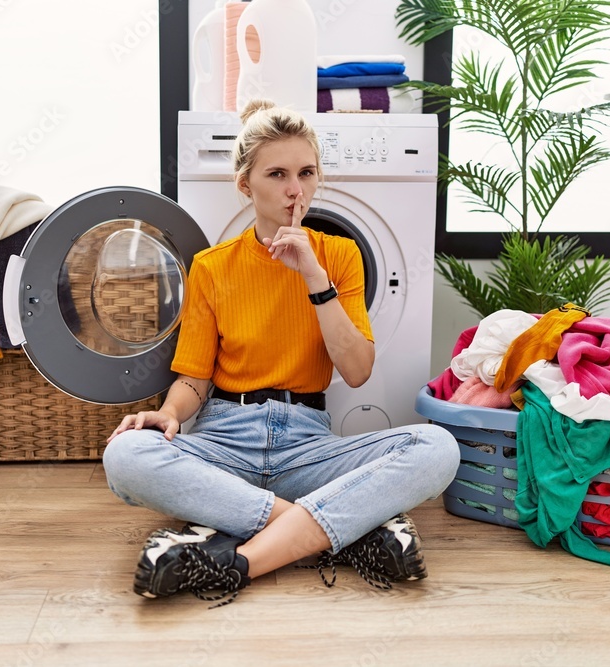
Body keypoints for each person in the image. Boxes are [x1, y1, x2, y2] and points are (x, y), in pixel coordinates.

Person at [103, 99, 460, 606]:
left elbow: (357, 371)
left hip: (307, 446)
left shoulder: (338, 256)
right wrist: (165, 416)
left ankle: (238, 560)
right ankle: (340, 530)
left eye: (306, 173)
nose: (296, 189)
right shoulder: (212, 267)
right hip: (224, 439)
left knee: (437, 448)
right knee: (125, 454)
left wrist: (314, 277)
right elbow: (193, 380)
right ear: (246, 184)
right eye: (277, 174)